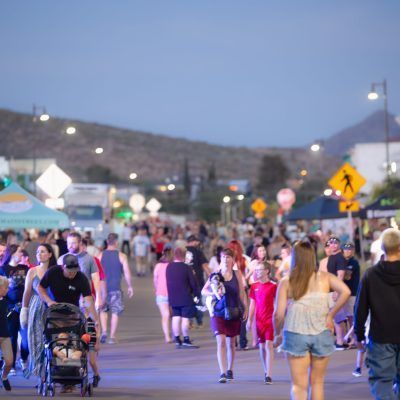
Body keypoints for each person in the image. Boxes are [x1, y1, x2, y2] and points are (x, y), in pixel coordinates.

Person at [273, 240, 350, 400]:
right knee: (317, 383)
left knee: (298, 386)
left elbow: (278, 315)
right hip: (321, 331)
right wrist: (330, 314)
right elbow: (346, 291)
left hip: (295, 333)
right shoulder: (324, 277)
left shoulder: (287, 281)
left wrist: (277, 333)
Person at [354, 228, 400, 399]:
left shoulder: (371, 275)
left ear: (383, 247)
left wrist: (358, 335)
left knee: (382, 382)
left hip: (380, 337)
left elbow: (360, 308)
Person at [201, 248, 248, 383]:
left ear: (233, 260)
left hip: (233, 310)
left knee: (231, 343)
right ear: (220, 259)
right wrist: (215, 293)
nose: (226, 260)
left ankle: (230, 369)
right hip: (218, 312)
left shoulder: (237, 273)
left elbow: (242, 293)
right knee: (221, 342)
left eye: (228, 257)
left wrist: (246, 309)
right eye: (223, 257)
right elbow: (204, 290)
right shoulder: (216, 274)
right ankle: (222, 372)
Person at [20, 244, 57, 381]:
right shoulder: (32, 271)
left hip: (52, 307)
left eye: (42, 252)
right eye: (37, 252)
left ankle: (52, 370)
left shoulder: (55, 270)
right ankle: (40, 374)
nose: (39, 254)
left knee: (52, 340)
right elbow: (27, 293)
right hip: (36, 307)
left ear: (49, 254)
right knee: (36, 341)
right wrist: (24, 311)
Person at [99, 233, 134, 344]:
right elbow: (127, 273)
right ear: (116, 242)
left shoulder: (100, 255)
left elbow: (96, 272)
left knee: (103, 310)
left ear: (107, 241)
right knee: (115, 312)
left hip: (102, 288)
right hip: (115, 288)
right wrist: (130, 286)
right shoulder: (122, 256)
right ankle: (112, 337)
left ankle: (104, 331)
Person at [0, 244, 29, 375]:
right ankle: (10, 365)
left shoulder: (25, 268)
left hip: (24, 307)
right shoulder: (3, 269)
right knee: (11, 337)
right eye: (19, 251)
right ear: (12, 253)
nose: (21, 254)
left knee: (26, 339)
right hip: (9, 307)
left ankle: (23, 358)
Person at [247, 261, 277, 384]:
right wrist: (249, 320)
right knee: (262, 347)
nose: (257, 272)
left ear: (267, 271)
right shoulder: (254, 286)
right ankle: (265, 370)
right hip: (259, 321)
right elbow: (252, 304)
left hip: (270, 319)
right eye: (256, 270)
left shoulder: (273, 286)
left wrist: (277, 318)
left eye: (260, 270)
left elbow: (277, 303)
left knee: (269, 345)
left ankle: (269, 374)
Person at [166, 246, 200, 348]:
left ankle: (177, 339)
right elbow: (193, 283)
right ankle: (186, 339)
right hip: (185, 296)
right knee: (185, 319)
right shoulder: (186, 267)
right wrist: (197, 294)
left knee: (176, 317)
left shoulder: (169, 266)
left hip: (173, 297)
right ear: (183, 256)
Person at [58, 232, 102, 310]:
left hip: (84, 300)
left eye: (73, 243)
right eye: (68, 243)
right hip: (66, 300)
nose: (70, 246)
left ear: (80, 243)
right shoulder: (61, 259)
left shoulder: (89, 259)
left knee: (86, 321)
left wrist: (98, 298)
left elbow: (96, 279)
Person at [326, 236, 348, 350]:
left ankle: (339, 342)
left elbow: (341, 275)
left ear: (339, 244)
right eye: (331, 243)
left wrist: (336, 290)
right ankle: (342, 340)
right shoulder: (331, 257)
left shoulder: (339, 257)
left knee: (337, 317)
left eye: (335, 243)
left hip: (337, 291)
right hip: (331, 290)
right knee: (337, 317)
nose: (333, 245)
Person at [185, 235, 210, 327]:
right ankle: (199, 322)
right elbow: (205, 266)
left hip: (185, 281)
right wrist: (212, 277)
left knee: (187, 301)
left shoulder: (182, 251)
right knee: (198, 301)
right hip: (197, 281)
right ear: (194, 242)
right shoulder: (198, 252)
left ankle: (189, 322)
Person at [153, 246, 174, 343]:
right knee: (167, 314)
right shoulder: (172, 266)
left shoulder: (158, 266)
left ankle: (173, 334)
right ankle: (168, 336)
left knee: (169, 314)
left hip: (162, 294)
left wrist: (156, 289)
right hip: (169, 294)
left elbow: (155, 280)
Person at [342, 242, 360, 349]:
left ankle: (355, 338)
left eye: (350, 250)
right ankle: (353, 337)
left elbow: (347, 276)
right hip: (346, 293)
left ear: (353, 251)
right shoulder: (344, 261)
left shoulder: (353, 262)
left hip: (352, 292)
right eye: (346, 249)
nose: (348, 251)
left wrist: (339, 274)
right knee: (349, 317)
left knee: (353, 317)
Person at [0, 276, 12, 391]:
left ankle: (4, 377)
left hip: (5, 335)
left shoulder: (5, 301)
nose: (7, 289)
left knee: (9, 362)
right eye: (5, 287)